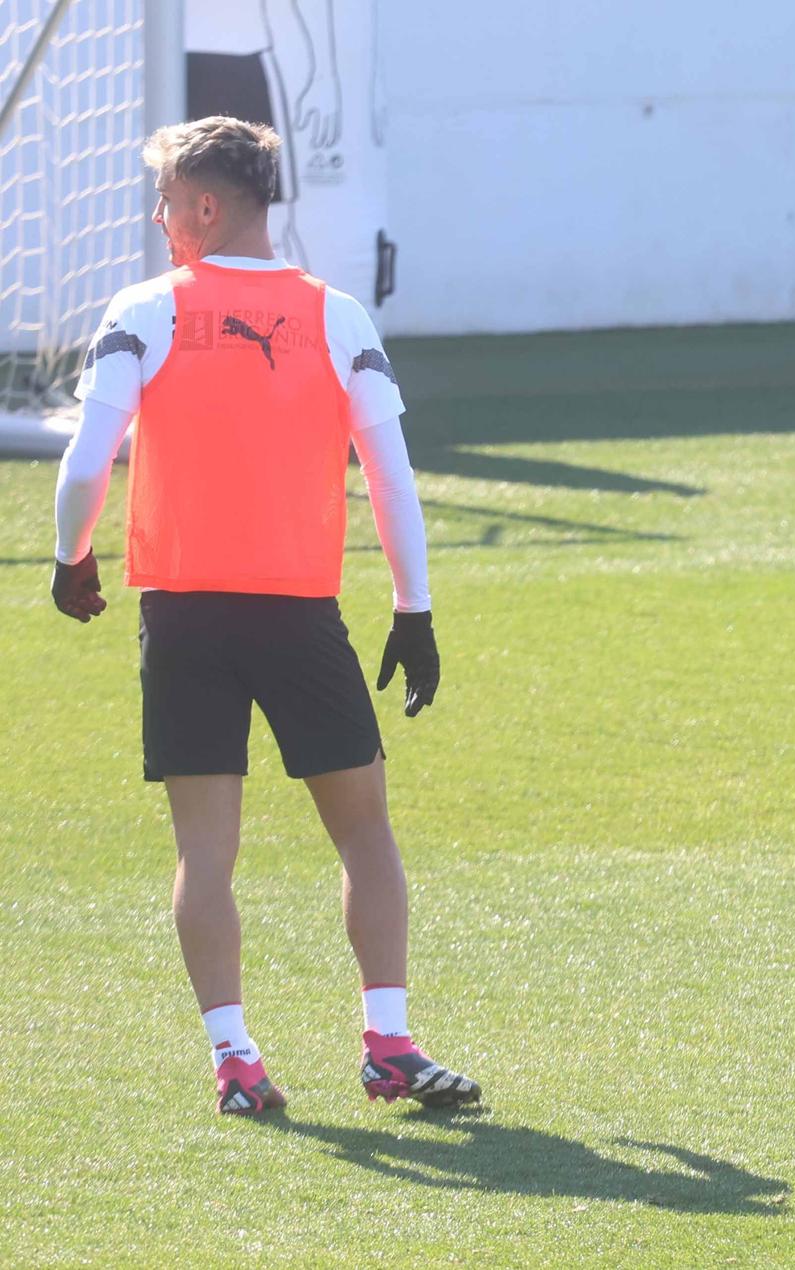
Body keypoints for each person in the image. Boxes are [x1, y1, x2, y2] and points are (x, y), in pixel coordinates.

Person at [48, 116, 479, 1114]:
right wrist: (412, 611)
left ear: (203, 207)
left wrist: (71, 557)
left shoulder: (145, 311)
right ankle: (389, 1044)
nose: (159, 221)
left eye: (164, 202)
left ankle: (236, 1060)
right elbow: (392, 477)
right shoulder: (338, 318)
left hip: (184, 615)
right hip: (299, 614)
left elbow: (83, 464)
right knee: (365, 832)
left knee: (206, 851)